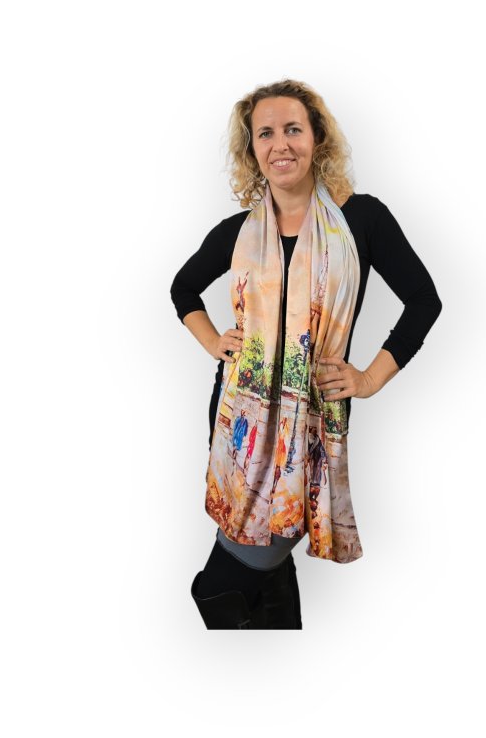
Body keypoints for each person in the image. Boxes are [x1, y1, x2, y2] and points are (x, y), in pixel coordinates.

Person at [170, 78, 443, 629]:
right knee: (263, 574)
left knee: (223, 586)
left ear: (317, 138)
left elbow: (423, 300)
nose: (281, 144)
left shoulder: (361, 220)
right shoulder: (238, 232)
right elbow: (183, 289)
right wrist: (215, 341)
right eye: (265, 133)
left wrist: (369, 379)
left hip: (311, 428)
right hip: (239, 428)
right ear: (252, 149)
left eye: (293, 129)